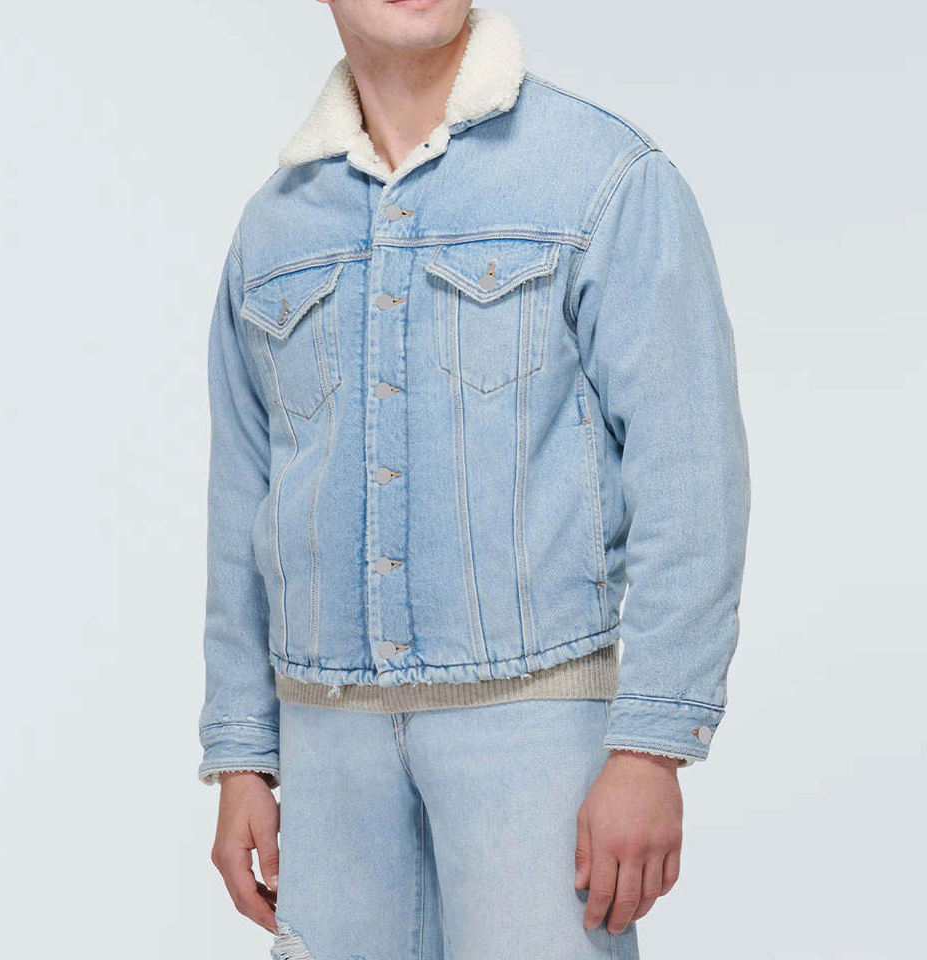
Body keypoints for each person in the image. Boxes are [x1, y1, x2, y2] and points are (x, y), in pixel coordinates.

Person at [198, 3, 750, 958]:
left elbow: (690, 474)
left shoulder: (602, 177)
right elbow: (243, 499)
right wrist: (242, 751)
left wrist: (651, 745)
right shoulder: (274, 226)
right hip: (327, 748)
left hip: (536, 729)